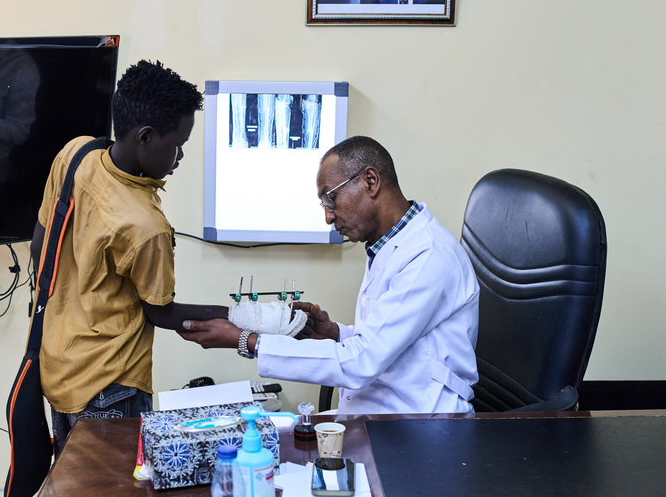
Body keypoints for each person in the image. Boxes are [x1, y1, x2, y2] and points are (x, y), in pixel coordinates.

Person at [179, 136, 479, 415]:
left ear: (370, 181)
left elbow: (362, 361)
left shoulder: (428, 255)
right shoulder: (389, 244)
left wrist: (247, 341)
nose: (328, 217)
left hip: (421, 424)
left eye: (330, 199)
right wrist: (336, 334)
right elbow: (392, 340)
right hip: (385, 413)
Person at [30, 60, 228, 455]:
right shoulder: (144, 225)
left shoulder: (76, 154)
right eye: (178, 144)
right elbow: (161, 312)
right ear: (146, 137)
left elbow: (40, 245)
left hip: (58, 368)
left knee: (76, 492)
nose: (181, 156)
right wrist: (239, 316)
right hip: (110, 386)